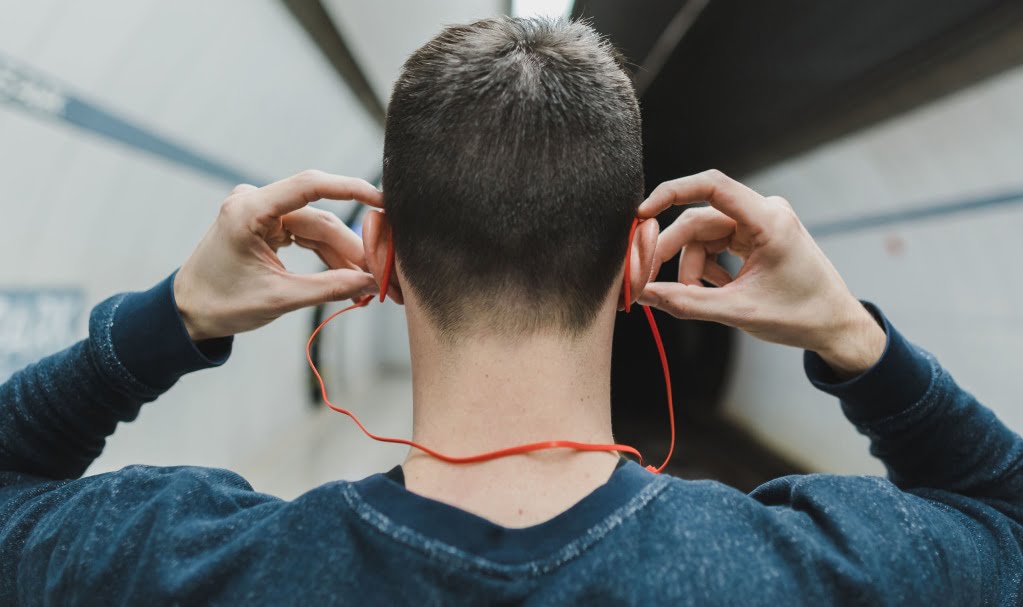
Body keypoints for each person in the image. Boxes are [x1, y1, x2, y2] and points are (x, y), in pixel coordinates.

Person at [1, 16, 1020, 606]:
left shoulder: (195, 564)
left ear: (383, 258)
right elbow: (1003, 514)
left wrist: (171, 317)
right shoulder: (805, 572)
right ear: (634, 261)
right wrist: (854, 339)